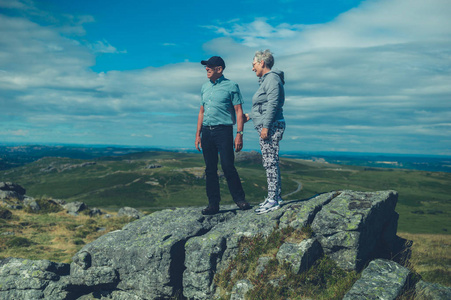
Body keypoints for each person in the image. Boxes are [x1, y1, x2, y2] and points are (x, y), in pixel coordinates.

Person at [195, 56, 251, 215]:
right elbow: (201, 112)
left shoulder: (231, 86)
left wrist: (239, 134)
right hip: (206, 131)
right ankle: (213, 205)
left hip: (223, 131)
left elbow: (239, 111)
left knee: (228, 166)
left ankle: (240, 200)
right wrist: (197, 134)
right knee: (210, 169)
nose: (206, 68)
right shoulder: (204, 87)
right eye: (206, 66)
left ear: (219, 69)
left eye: (210, 66)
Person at [246, 50, 286, 214]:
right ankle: (275, 196)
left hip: (271, 125)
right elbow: (264, 106)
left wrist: (266, 127)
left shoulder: (271, 79)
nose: (252, 68)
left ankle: (273, 200)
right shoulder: (267, 80)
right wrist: (251, 116)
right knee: (270, 161)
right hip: (268, 124)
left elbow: (273, 104)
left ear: (262, 63)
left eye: (254, 64)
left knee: (270, 162)